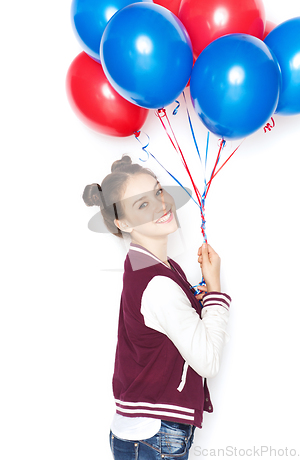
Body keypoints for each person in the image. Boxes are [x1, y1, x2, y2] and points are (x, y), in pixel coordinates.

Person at [82, 155, 231, 460]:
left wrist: (191, 301)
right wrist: (215, 291)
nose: (161, 205)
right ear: (122, 222)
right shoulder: (159, 283)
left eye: (158, 192)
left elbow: (157, 323)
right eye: (142, 204)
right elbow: (208, 362)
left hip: (143, 432)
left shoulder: (148, 264)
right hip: (155, 436)